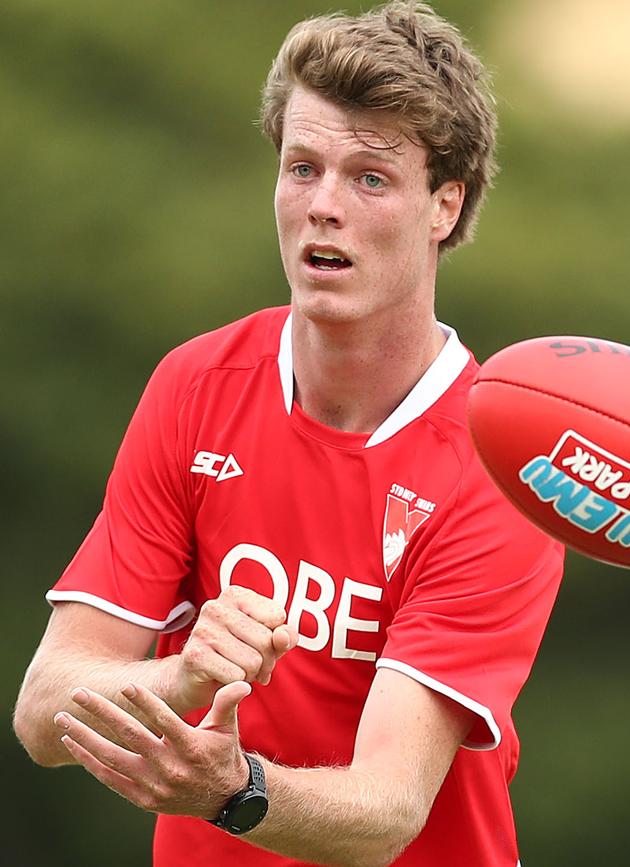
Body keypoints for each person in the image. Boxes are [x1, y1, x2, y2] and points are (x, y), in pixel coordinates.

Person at [14, 3, 564, 865]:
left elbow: (387, 809)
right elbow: (44, 708)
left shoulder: (499, 458)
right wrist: (181, 676)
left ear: (444, 207)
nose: (323, 207)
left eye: (370, 178)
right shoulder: (197, 384)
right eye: (302, 167)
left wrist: (233, 792)